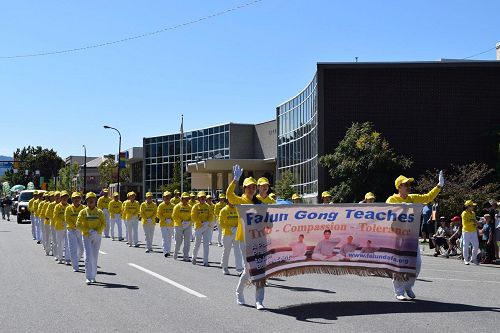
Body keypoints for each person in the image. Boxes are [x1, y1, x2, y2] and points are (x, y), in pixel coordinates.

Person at [386, 171, 444, 300]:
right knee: (400, 265)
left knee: (416, 264)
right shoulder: (392, 199)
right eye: (405, 184)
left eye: (409, 184)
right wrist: (402, 207)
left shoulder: (413, 197)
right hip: (397, 237)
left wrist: (439, 186)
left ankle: (408, 286)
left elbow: (428, 197)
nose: (408, 186)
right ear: (399, 187)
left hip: (411, 237)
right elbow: (388, 214)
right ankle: (399, 291)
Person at [226, 165, 265, 310]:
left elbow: (268, 218)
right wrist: (235, 180)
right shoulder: (239, 200)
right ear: (244, 189)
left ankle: (259, 300)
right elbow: (228, 195)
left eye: (253, 187)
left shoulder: (259, 203)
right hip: (244, 239)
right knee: (249, 270)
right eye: (249, 187)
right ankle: (239, 293)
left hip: (259, 238)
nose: (251, 189)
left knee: (261, 269)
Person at [76, 192, 106, 285]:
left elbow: (104, 223)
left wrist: (97, 231)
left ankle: (93, 276)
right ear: (86, 201)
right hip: (87, 235)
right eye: (89, 199)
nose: (91, 201)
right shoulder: (83, 212)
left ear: (95, 201)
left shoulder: (99, 212)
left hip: (97, 235)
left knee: (94, 256)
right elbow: (78, 224)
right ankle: (88, 277)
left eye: (92, 199)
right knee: (88, 256)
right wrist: (88, 230)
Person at [219, 201, 243, 274]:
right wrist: (230, 228)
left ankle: (239, 268)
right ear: (228, 201)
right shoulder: (224, 210)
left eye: (234, 201)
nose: (233, 202)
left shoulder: (237, 209)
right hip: (227, 233)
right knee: (226, 250)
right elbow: (221, 222)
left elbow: (240, 220)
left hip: (236, 232)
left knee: (237, 250)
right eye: (231, 201)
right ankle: (224, 267)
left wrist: (237, 227)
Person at [191, 191, 213, 266]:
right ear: (198, 198)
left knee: (206, 244)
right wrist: (200, 222)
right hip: (198, 227)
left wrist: (207, 222)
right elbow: (193, 216)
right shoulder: (195, 206)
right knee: (197, 243)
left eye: (204, 197)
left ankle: (205, 261)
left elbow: (211, 215)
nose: (203, 198)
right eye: (201, 197)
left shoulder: (208, 206)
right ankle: (194, 257)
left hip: (206, 226)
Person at [65, 192, 85, 272]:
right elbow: (67, 219)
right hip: (71, 230)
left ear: (80, 199)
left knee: (82, 249)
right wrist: (74, 225)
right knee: (73, 248)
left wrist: (80, 226)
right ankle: (75, 266)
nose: (76, 199)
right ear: (72, 200)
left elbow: (85, 218)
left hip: (80, 230)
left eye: (78, 198)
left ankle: (75, 260)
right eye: (74, 198)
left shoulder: (83, 208)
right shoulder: (69, 208)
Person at [172, 192, 192, 261]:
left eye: (187, 199)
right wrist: (181, 221)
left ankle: (186, 255)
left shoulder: (190, 207)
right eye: (184, 198)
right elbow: (174, 216)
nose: (186, 200)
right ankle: (176, 252)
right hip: (178, 225)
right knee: (178, 241)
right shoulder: (177, 206)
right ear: (181, 199)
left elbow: (192, 216)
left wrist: (189, 221)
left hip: (188, 226)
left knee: (187, 241)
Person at [53, 191, 70, 264]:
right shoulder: (57, 206)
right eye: (63, 197)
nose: (65, 198)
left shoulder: (69, 206)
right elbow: (55, 216)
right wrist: (62, 221)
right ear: (61, 198)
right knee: (60, 243)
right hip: (59, 227)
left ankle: (67, 259)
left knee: (67, 243)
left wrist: (68, 222)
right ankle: (59, 257)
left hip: (68, 227)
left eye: (66, 197)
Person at [461, 200, 480, 265]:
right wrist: (474, 222)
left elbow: (474, 221)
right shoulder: (464, 213)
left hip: (473, 231)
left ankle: (473, 258)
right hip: (466, 231)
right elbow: (465, 224)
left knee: (476, 245)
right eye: (472, 206)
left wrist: (476, 224)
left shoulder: (473, 213)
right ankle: (466, 259)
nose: (473, 207)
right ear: (468, 207)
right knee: (465, 246)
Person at [157, 191, 175, 257]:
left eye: (168, 196)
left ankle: (168, 251)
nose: (167, 198)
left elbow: (174, 214)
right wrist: (164, 219)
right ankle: (165, 251)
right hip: (163, 223)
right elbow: (158, 214)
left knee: (169, 237)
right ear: (163, 198)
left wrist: (171, 219)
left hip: (171, 223)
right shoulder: (161, 205)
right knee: (165, 237)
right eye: (165, 197)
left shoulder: (173, 205)